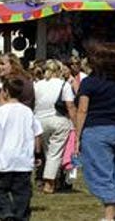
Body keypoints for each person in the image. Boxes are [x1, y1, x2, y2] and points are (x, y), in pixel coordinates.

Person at [74, 42, 115, 221]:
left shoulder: (89, 83)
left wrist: (78, 135)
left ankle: (109, 216)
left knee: (101, 175)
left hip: (97, 131)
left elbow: (82, 110)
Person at [0, 76, 43, 221]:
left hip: (4, 157)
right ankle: (20, 215)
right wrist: (38, 154)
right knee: (22, 192)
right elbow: (37, 134)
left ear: (5, 92)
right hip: (23, 159)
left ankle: (6, 214)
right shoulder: (27, 112)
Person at [32, 60, 76, 194]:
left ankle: (49, 180)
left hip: (39, 120)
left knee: (46, 152)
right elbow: (70, 106)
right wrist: (75, 123)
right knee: (54, 153)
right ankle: (49, 183)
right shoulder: (64, 85)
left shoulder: (37, 85)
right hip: (58, 119)